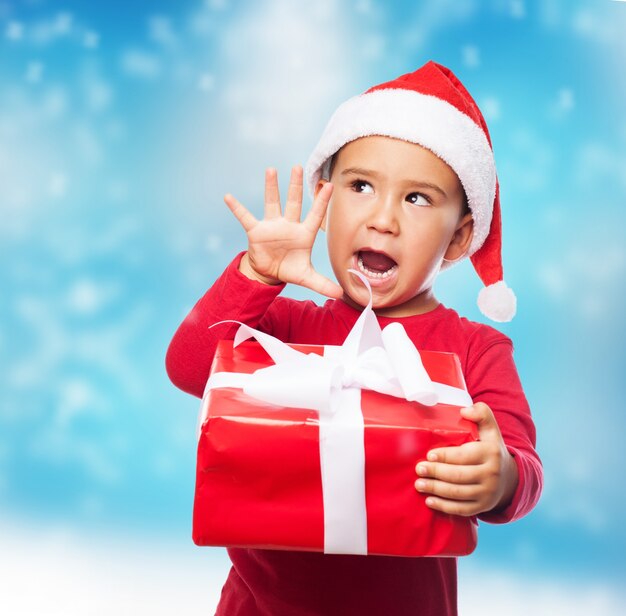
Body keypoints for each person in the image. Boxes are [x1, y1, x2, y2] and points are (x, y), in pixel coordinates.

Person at [165, 61, 543, 616]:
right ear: (327, 199)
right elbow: (189, 367)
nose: (382, 219)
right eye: (361, 186)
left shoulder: (475, 350)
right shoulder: (287, 328)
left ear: (459, 239)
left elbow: (522, 466)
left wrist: (503, 476)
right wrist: (255, 274)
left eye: (417, 199)